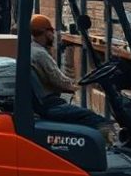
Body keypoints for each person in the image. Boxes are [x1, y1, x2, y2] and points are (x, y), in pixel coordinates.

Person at [29, 14, 117, 143]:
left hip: (42, 102)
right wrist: (78, 86)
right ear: (46, 32)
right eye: (51, 31)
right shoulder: (40, 54)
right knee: (97, 120)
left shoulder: (31, 50)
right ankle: (108, 147)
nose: (53, 35)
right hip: (50, 106)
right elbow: (59, 80)